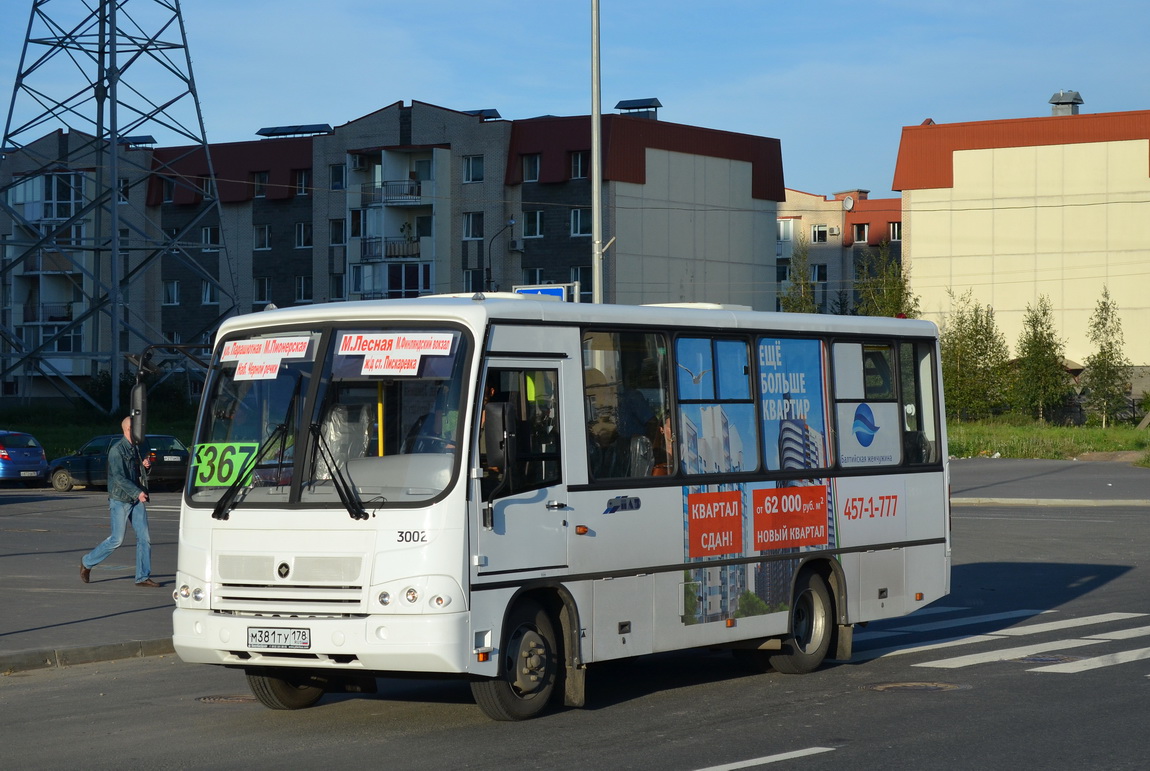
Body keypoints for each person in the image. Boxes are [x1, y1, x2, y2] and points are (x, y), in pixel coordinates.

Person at [79, 417, 161, 587]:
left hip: (135, 499)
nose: (139, 429)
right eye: (135, 427)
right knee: (117, 539)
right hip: (120, 499)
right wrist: (138, 492)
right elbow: (119, 478)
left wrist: (145, 466)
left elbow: (138, 470)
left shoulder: (137, 447)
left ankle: (142, 577)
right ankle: (87, 562)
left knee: (144, 537)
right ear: (128, 429)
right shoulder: (116, 450)